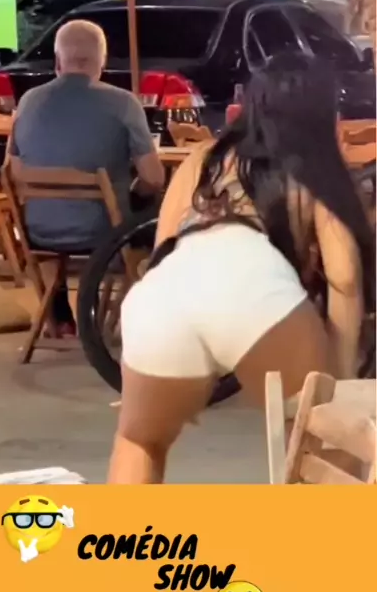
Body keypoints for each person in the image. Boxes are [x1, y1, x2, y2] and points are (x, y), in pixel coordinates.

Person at [107, 53, 375, 483]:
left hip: (165, 292)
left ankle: (123, 527)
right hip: (252, 283)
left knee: (140, 442)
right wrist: (339, 384)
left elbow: (164, 246)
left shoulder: (203, 157)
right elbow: (343, 277)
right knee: (319, 434)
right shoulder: (312, 166)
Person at [9, 19, 164, 335]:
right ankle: (139, 316)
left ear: (57, 61)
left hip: (38, 229)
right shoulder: (123, 103)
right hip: (104, 231)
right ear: (102, 62)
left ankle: (59, 311)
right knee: (157, 211)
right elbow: (154, 178)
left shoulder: (28, 102)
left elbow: (12, 170)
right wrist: (132, 193)